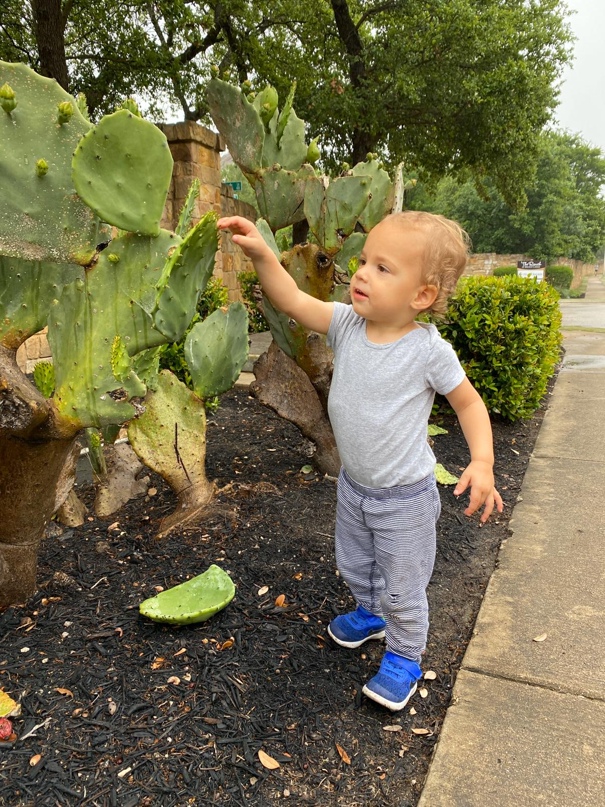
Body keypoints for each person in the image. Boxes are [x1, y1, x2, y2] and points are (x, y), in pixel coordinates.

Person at [217, 211, 504, 711]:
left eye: (383, 268)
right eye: (364, 261)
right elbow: (294, 300)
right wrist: (263, 252)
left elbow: (469, 403)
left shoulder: (427, 351)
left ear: (422, 296)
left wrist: (482, 461)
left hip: (404, 498)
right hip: (355, 485)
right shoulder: (348, 324)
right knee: (355, 563)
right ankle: (370, 615)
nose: (363, 273)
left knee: (403, 584)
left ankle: (405, 656)